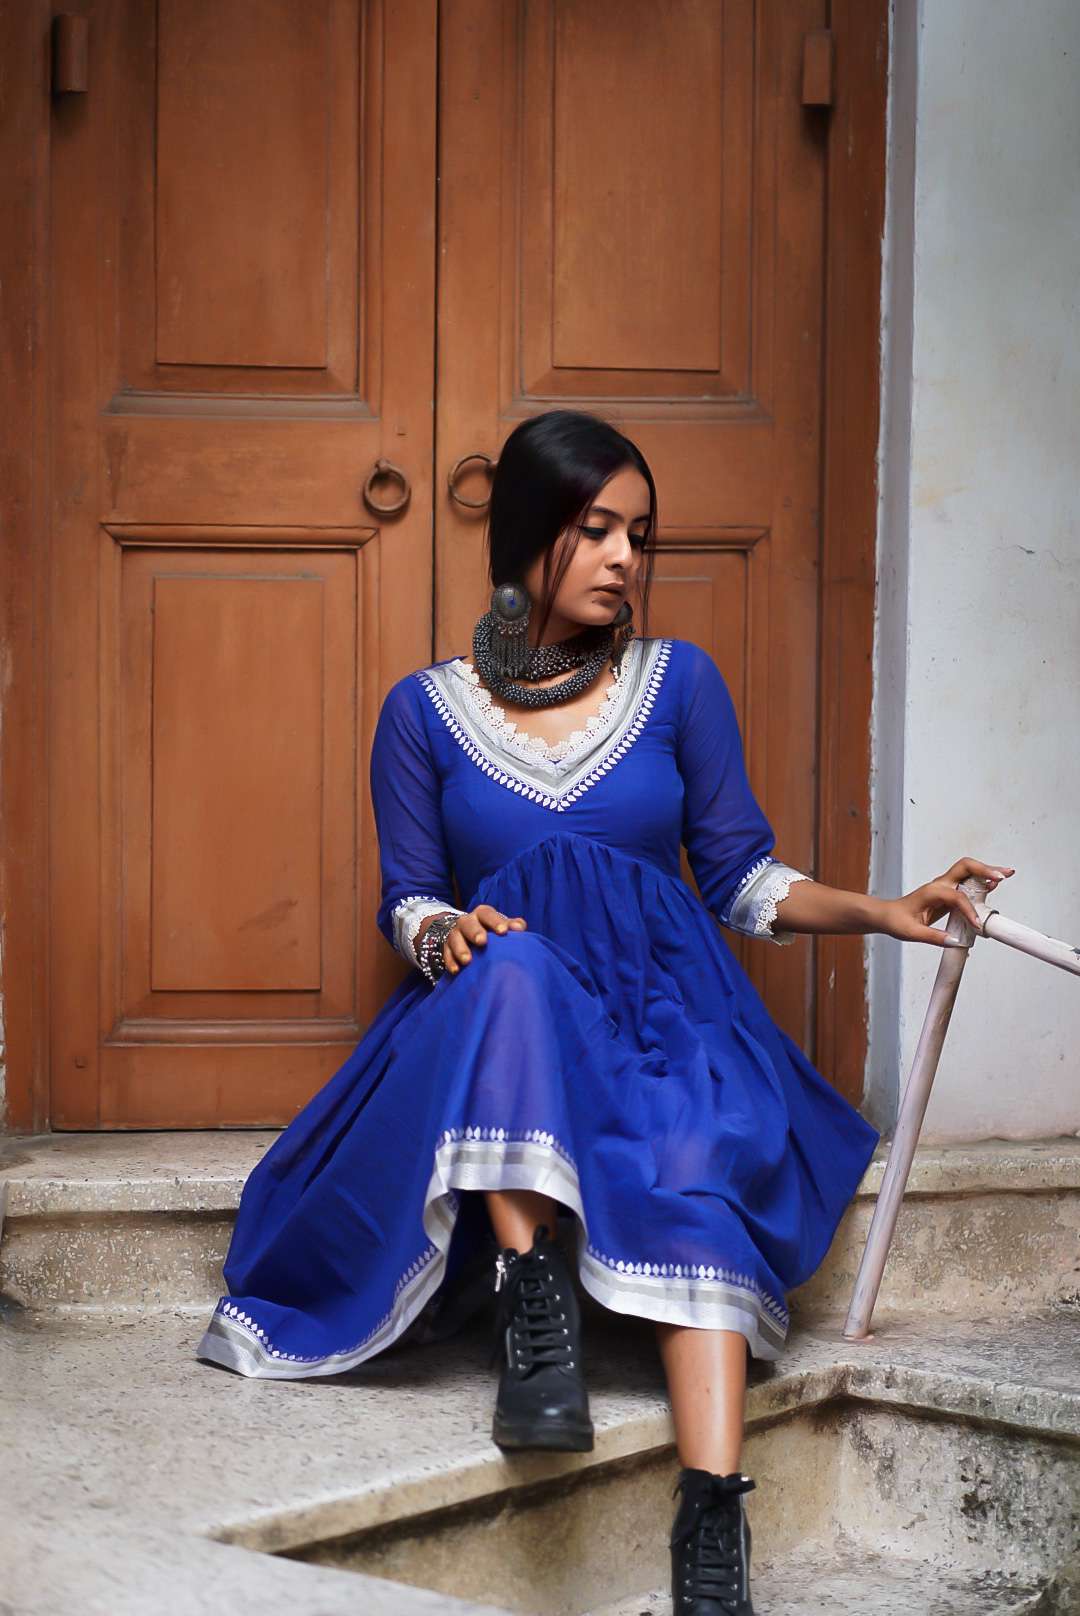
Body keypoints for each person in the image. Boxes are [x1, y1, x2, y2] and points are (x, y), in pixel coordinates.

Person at [196, 410, 1013, 1615]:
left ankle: (712, 1520)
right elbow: (408, 895)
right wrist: (445, 930)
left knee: (695, 1163)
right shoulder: (422, 711)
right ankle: (537, 1315)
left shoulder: (680, 684)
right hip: (493, 1026)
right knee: (517, 966)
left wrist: (884, 910)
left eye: (640, 532)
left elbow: (739, 875)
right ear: (530, 531)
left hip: (658, 1014)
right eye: (597, 527)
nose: (627, 554)